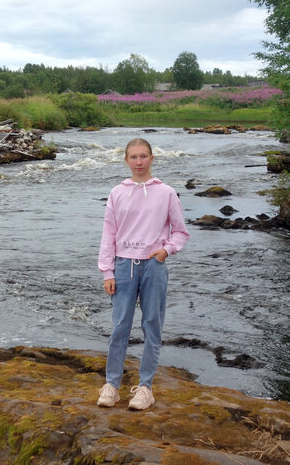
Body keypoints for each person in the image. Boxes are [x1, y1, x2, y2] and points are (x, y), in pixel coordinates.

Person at [95, 137, 190, 410]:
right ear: (126, 160)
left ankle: (145, 388)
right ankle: (112, 385)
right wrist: (107, 272)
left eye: (144, 156)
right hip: (123, 266)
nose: (139, 162)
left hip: (153, 266)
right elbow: (108, 235)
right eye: (134, 157)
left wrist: (166, 251)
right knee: (120, 325)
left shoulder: (166, 193)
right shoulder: (116, 193)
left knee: (152, 325)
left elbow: (181, 231)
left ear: (152, 158)